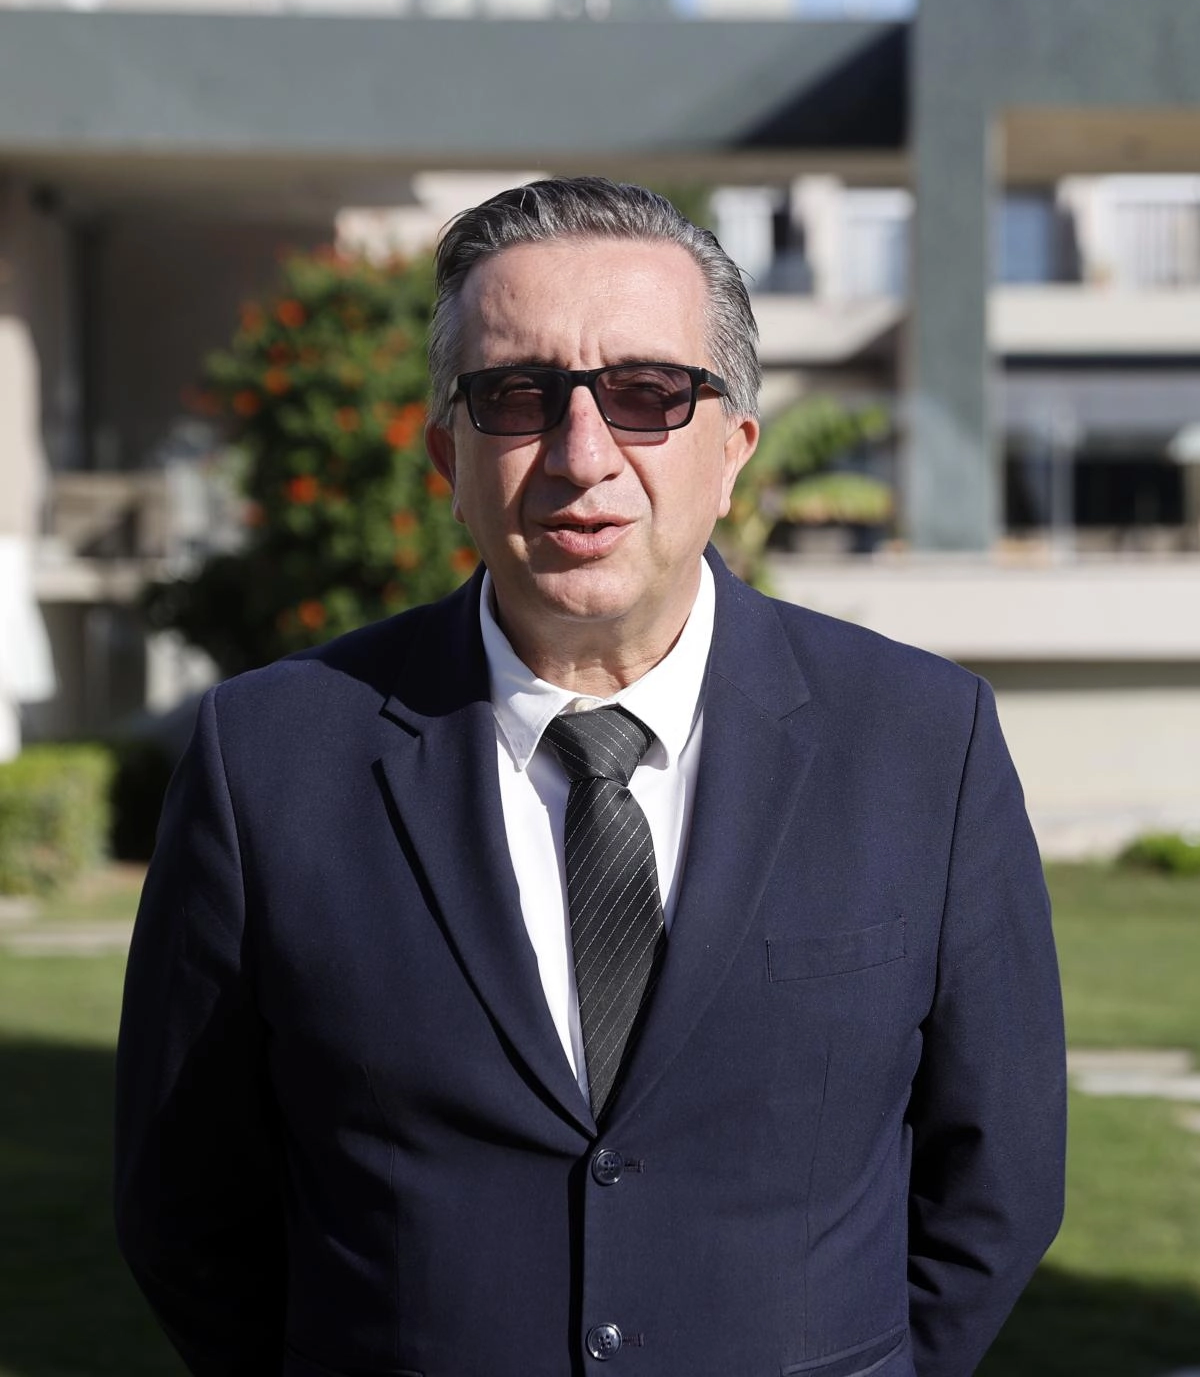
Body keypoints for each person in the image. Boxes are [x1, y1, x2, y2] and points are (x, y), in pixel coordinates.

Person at [114, 177, 1067, 1377]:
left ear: (733, 449)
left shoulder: (924, 742)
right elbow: (187, 1203)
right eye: (518, 396)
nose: (582, 453)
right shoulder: (269, 758)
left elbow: (999, 1181)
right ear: (448, 454)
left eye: (646, 393)